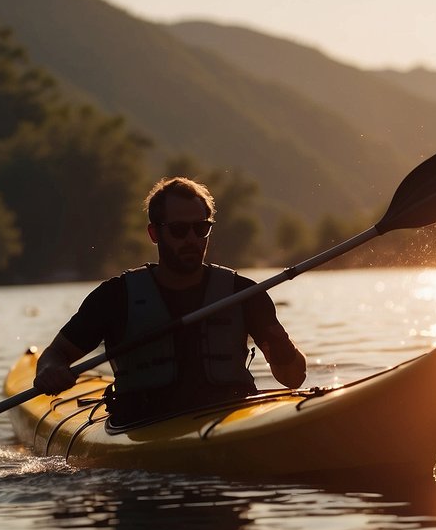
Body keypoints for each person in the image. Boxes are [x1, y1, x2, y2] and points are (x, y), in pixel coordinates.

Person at [33, 177, 306, 425]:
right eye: (178, 230)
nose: (191, 239)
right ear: (154, 234)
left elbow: (293, 378)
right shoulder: (115, 297)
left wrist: (283, 347)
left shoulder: (244, 293)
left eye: (201, 229)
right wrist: (51, 370)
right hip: (144, 425)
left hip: (230, 420)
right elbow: (54, 355)